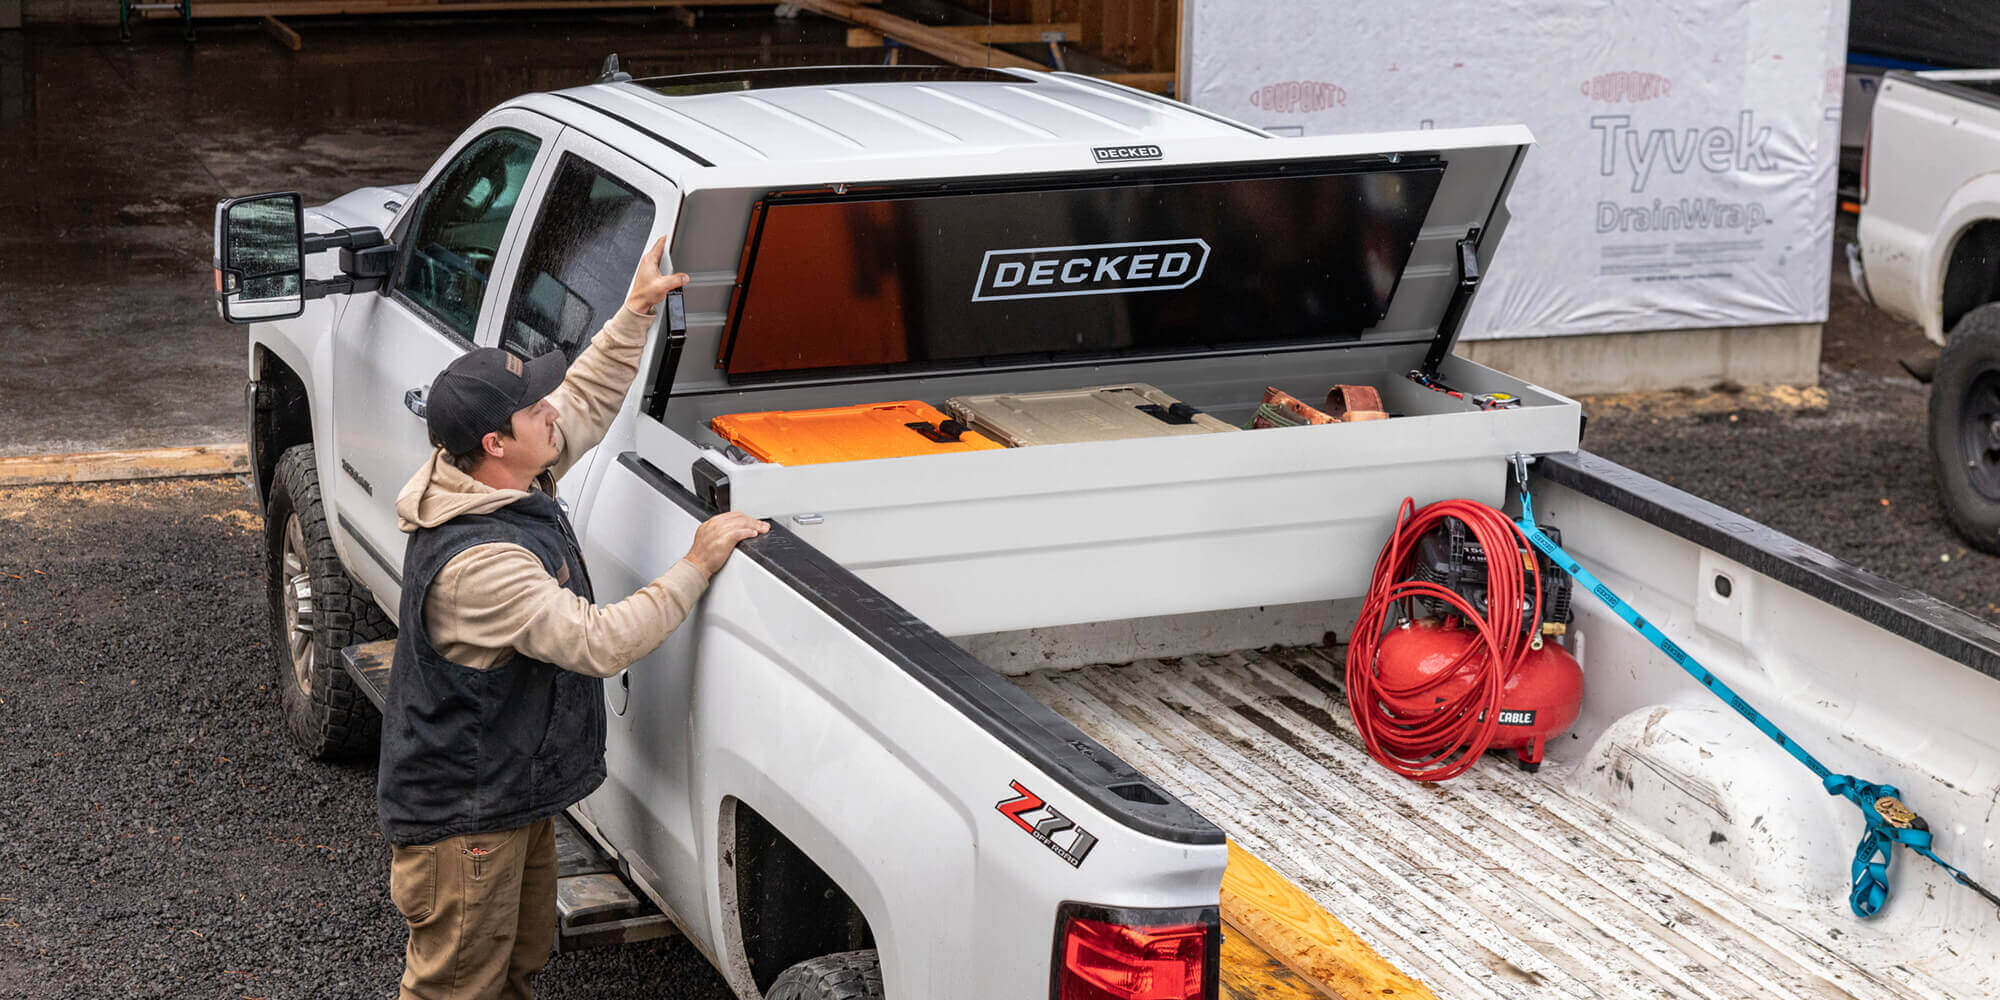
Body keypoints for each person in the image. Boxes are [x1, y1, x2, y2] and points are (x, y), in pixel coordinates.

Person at [376, 236, 767, 1000]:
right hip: (466, 824)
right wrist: (697, 562)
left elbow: (582, 398)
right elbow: (599, 640)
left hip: (506, 794)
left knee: (514, 968)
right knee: (457, 988)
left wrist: (635, 311)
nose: (552, 413)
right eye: (533, 411)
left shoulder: (490, 468)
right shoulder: (481, 565)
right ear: (496, 444)